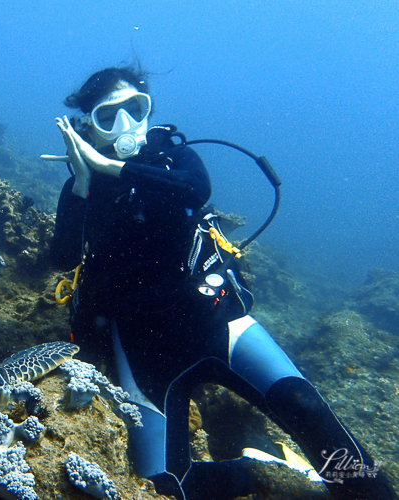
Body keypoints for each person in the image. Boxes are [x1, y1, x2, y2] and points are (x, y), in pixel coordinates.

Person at [46, 66, 397, 500]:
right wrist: (84, 182)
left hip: (215, 321)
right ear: (87, 127)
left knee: (308, 412)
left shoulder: (176, 159)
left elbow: (194, 190)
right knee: (166, 487)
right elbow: (60, 258)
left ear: (148, 111)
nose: (124, 127)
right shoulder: (81, 188)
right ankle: (260, 473)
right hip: (142, 348)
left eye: (135, 110)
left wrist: (112, 166)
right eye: (107, 117)